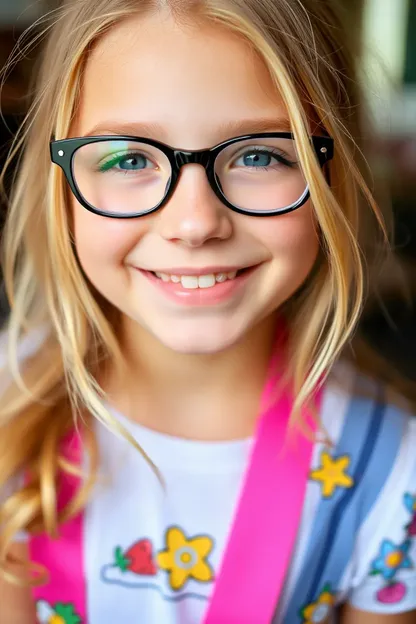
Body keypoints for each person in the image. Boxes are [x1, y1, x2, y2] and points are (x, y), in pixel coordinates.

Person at [0, 0, 415, 622]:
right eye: (128, 158)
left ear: (333, 175)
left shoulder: (389, 473)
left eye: (259, 155)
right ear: (59, 189)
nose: (195, 224)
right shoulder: (10, 413)